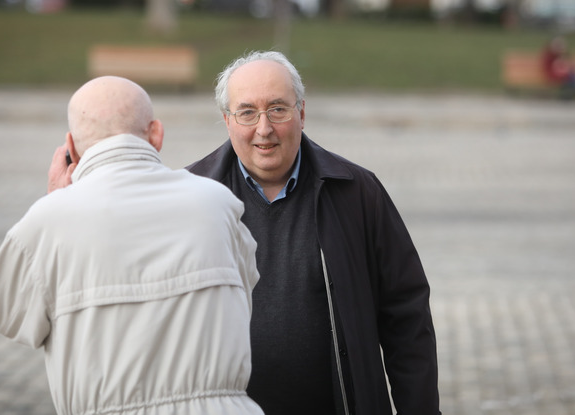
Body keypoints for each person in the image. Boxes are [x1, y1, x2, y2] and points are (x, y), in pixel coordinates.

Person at [0, 76, 264, 415]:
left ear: (71, 147)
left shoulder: (51, 218)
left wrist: (55, 200)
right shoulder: (217, 203)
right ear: (156, 133)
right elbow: (246, 287)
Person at [185, 51, 441, 415]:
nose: (264, 128)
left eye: (278, 109)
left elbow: (407, 317)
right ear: (227, 120)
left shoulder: (356, 192)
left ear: (302, 113)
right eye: (247, 112)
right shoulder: (189, 198)